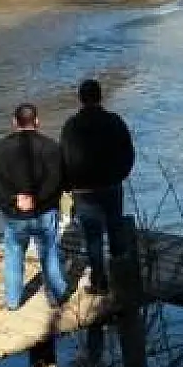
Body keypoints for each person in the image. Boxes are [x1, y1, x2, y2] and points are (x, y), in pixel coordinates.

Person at [0, 103, 69, 310]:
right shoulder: (50, 147)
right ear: (37, 122)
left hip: (14, 215)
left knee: (14, 253)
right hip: (44, 211)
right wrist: (37, 198)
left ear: (14, 123)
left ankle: (13, 300)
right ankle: (57, 295)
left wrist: (14, 199)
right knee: (48, 250)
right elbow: (56, 179)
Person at [59, 80, 136, 296]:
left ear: (80, 99)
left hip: (83, 191)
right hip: (111, 185)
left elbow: (63, 159)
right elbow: (128, 152)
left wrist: (67, 185)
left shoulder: (71, 126)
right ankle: (122, 280)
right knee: (115, 229)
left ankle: (100, 282)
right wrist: (121, 174)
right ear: (101, 97)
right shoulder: (114, 122)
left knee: (92, 237)